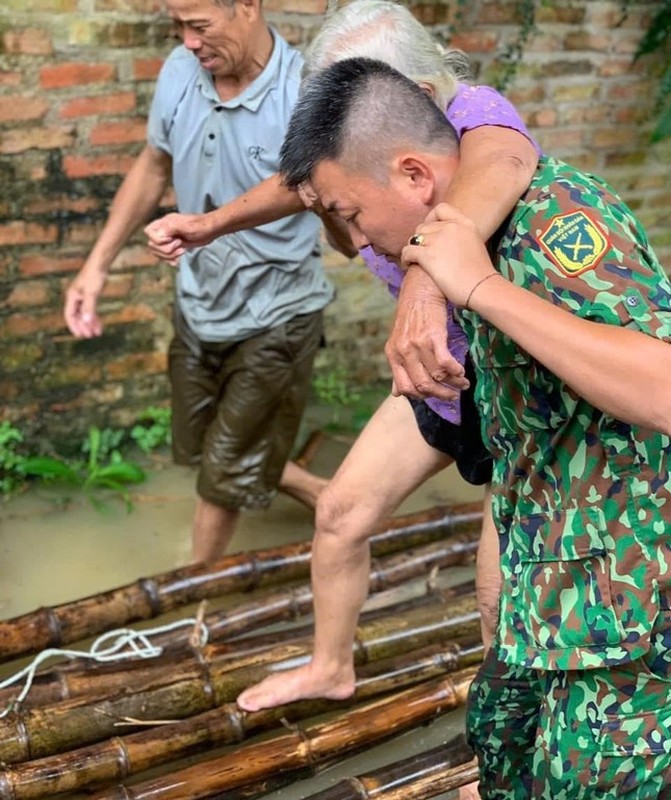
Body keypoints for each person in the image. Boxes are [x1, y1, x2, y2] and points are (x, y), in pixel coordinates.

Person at [274, 55, 671, 798]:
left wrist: (479, 288)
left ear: (415, 175)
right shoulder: (464, 241)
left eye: (352, 215)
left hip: (629, 607)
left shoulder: (556, 220)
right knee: (500, 748)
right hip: (551, 582)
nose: (355, 243)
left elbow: (662, 388)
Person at [232, 0, 539, 716]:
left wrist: (424, 288)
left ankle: (506, 753)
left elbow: (502, 159)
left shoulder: (481, 123)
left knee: (499, 587)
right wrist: (210, 223)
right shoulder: (358, 161)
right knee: (339, 512)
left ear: (418, 104)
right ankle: (329, 666)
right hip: (441, 382)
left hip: (519, 392)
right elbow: (296, 186)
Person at [63, 0, 336, 565]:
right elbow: (154, 166)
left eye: (199, 26)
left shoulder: (305, 92)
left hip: (277, 312)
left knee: (221, 477)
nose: (188, 41)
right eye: (177, 27)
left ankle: (194, 591)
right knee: (200, 446)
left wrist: (210, 225)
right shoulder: (179, 71)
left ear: (247, 7)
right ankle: (331, 497)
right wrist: (96, 266)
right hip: (199, 302)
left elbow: (305, 187)